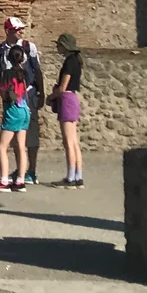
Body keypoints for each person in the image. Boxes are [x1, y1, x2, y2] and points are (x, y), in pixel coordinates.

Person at [0, 17, 42, 183]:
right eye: (17, 29)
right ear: (8, 31)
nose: (21, 31)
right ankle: (20, 173)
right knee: (17, 140)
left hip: (27, 96)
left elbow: (37, 71)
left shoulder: (28, 47)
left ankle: (31, 171)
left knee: (29, 136)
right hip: (14, 101)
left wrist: (41, 93)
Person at [0, 44, 32, 192]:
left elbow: (5, 94)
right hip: (25, 110)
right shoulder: (25, 74)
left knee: (2, 146)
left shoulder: (7, 74)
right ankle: (20, 181)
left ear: (8, 58)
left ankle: (3, 181)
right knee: (20, 146)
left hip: (13, 110)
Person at [50, 32, 85, 187]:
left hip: (66, 100)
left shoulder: (69, 62)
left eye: (59, 45)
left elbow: (63, 87)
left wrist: (51, 97)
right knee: (74, 141)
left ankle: (71, 177)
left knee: (68, 142)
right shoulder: (76, 60)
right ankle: (78, 176)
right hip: (73, 99)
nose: (57, 48)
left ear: (65, 46)